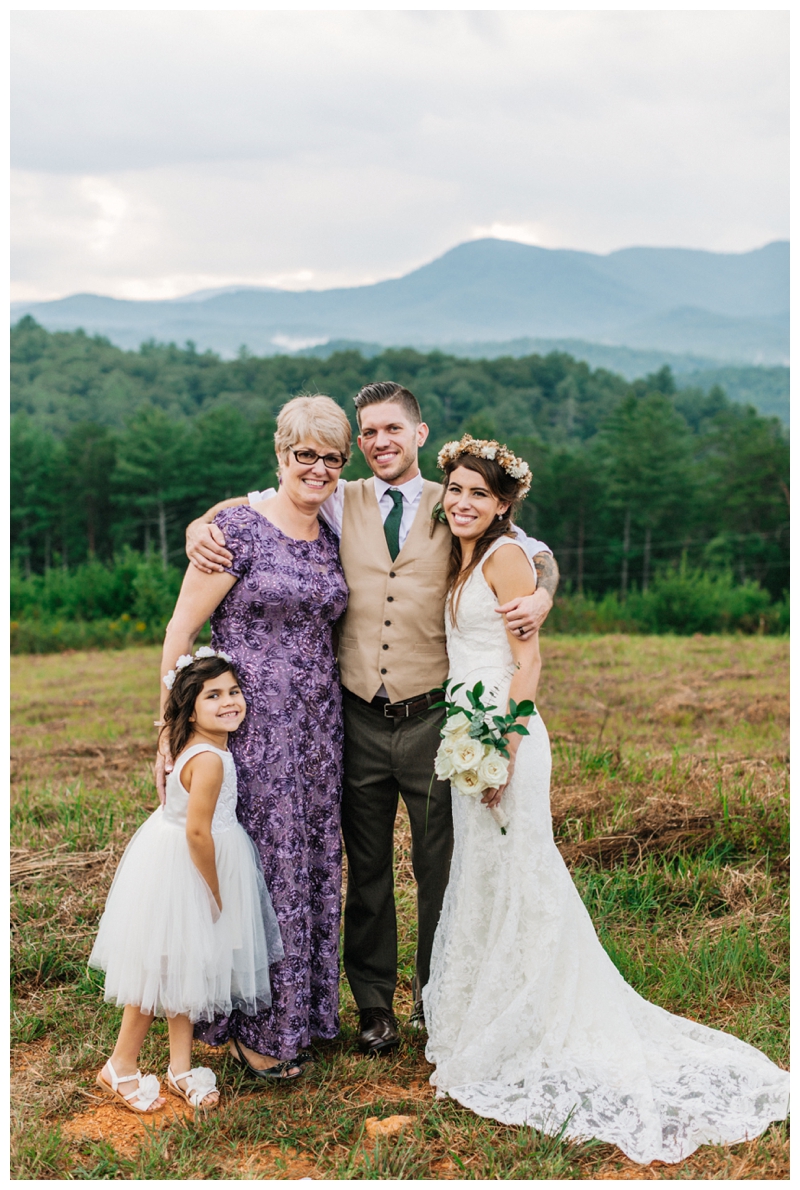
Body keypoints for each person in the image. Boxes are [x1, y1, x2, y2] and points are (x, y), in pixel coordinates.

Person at [423, 435, 790, 1165]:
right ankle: (492, 1013)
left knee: (525, 874)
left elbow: (528, 657)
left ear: (502, 506)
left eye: (477, 494)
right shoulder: (466, 551)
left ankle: (537, 1018)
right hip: (469, 724)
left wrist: (505, 745)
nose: (462, 503)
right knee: (490, 878)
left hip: (502, 732)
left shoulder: (502, 556)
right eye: (455, 490)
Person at [185, 382, 560, 1055]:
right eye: (369, 433)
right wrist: (200, 524)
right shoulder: (341, 500)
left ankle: (440, 994)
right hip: (353, 715)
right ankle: (374, 1004)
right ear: (358, 444)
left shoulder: (455, 504)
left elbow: (528, 549)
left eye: (393, 429)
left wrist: (545, 595)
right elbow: (263, 503)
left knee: (439, 861)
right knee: (365, 866)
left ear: (419, 435)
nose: (380, 442)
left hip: (433, 716)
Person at [157, 394, 350, 1078]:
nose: (319, 468)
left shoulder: (332, 531)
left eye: (332, 457)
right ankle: (250, 1026)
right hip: (249, 731)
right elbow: (181, 634)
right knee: (260, 870)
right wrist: (173, 736)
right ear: (282, 454)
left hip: (318, 735)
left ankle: (303, 1012)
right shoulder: (234, 529)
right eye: (306, 454)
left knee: (311, 866)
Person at [90, 651, 283, 1113]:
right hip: (192, 869)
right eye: (213, 695)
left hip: (177, 859)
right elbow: (198, 832)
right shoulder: (211, 761)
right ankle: (120, 1064)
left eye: (233, 691)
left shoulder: (198, 746)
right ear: (189, 706)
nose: (229, 701)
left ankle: (180, 1066)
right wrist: (215, 890)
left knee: (187, 971)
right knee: (159, 974)